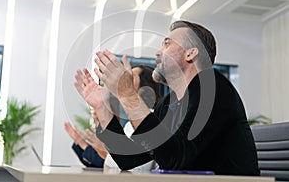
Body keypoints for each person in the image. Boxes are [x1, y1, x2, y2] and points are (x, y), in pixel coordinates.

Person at [74, 20, 260, 176]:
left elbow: (174, 159)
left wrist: (127, 93)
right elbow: (129, 159)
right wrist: (102, 109)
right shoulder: (170, 103)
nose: (157, 52)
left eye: (167, 43)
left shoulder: (212, 87)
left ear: (190, 53)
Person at [68, 65, 162, 170]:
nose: (123, 80)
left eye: (130, 77)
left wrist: (106, 154)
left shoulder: (152, 120)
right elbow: (126, 161)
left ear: (146, 88)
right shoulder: (129, 125)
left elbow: (136, 166)